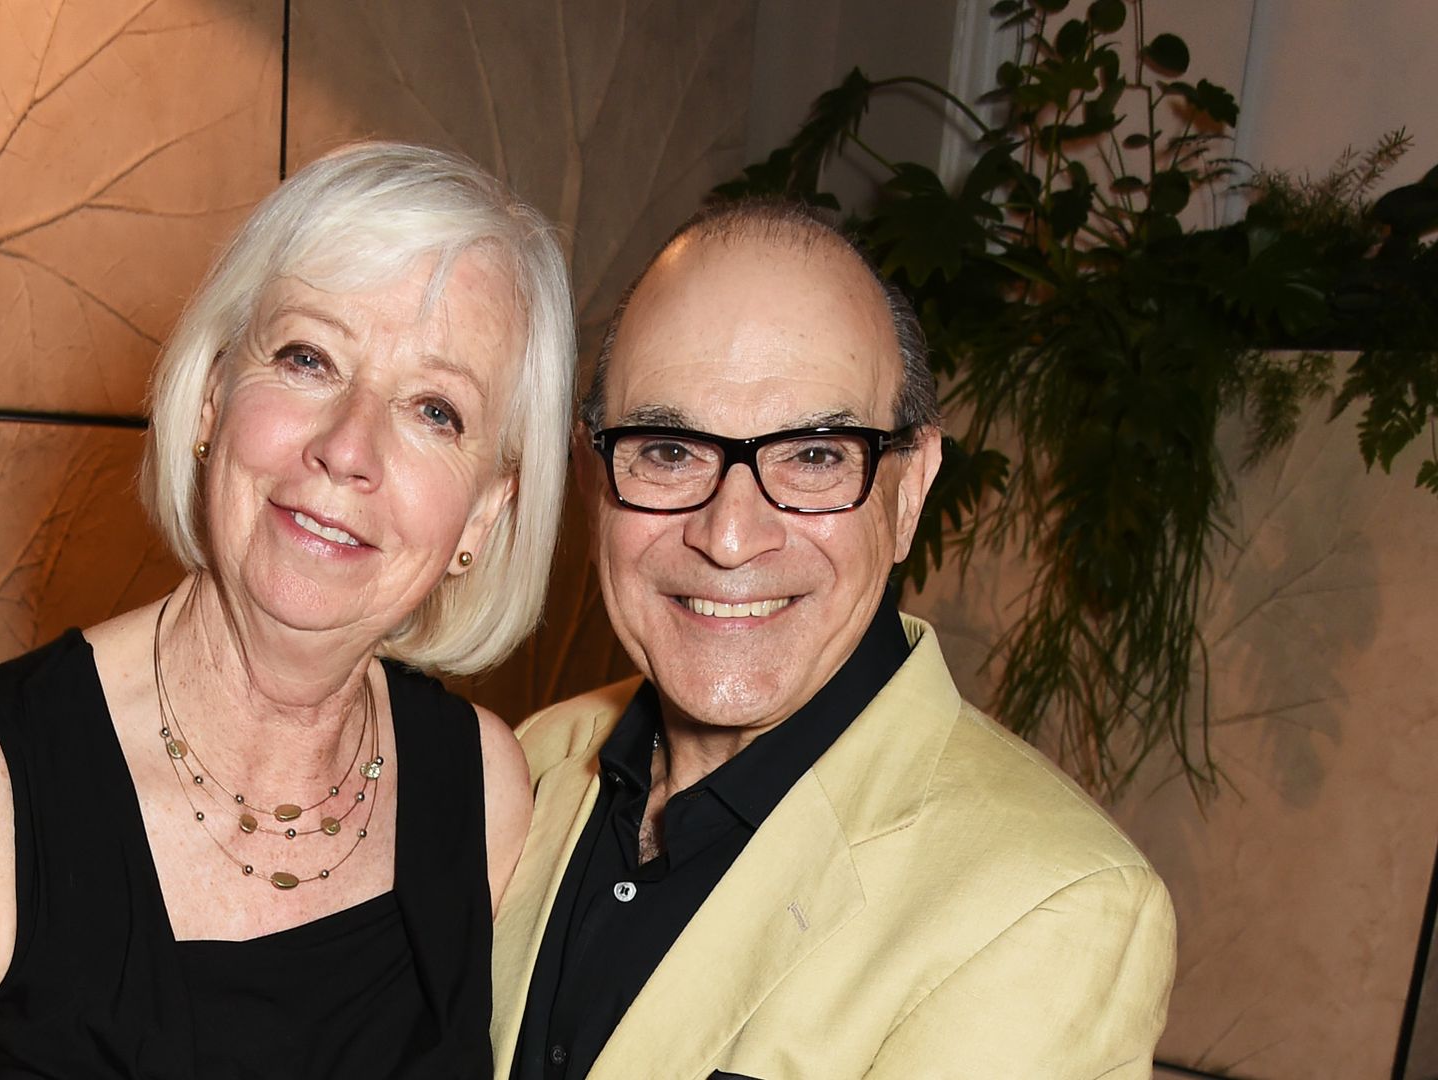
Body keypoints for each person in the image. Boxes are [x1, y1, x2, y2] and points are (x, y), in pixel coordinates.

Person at [0, 142, 576, 1078]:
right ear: (211, 397)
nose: (347, 447)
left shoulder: (483, 789)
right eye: (309, 358)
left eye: (436, 411)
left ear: (487, 513)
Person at [492, 199, 1176, 1079]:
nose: (729, 535)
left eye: (815, 456)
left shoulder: (1051, 907)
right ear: (596, 481)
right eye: (668, 450)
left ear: (911, 489)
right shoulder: (528, 766)